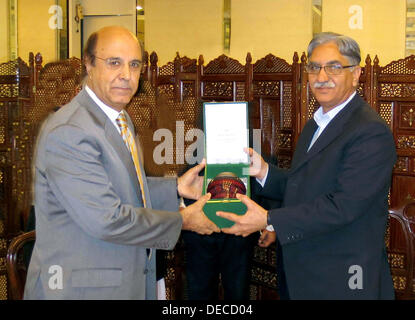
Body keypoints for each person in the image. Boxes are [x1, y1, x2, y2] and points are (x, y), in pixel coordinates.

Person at [24, 26, 219, 300]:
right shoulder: (70, 131)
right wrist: (183, 221)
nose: (126, 75)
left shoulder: (120, 118)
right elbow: (106, 218)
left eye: (134, 65)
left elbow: (119, 185)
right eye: (114, 62)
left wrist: (175, 188)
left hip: (122, 279)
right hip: (80, 289)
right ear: (89, 65)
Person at [217, 32, 397, 300]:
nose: (321, 77)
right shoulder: (317, 122)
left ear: (356, 74)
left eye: (334, 67)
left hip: (344, 277)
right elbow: (307, 185)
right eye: (314, 67)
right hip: (304, 267)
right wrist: (264, 171)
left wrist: (268, 219)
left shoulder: (370, 131)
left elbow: (343, 206)